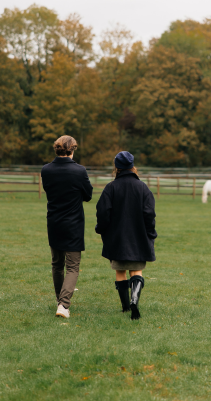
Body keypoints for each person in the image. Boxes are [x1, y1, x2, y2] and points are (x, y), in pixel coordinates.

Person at [95, 151, 157, 320]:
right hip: (138, 237)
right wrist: (151, 233)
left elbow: (102, 212)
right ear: (132, 166)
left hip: (117, 238)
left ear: (117, 167)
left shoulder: (110, 188)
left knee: (120, 270)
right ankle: (134, 300)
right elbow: (149, 213)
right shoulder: (143, 187)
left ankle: (125, 307)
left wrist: (101, 229)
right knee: (136, 270)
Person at [41, 135, 93, 318]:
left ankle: (60, 300)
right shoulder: (79, 171)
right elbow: (88, 195)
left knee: (57, 264)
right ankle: (63, 305)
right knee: (72, 266)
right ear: (72, 150)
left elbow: (49, 190)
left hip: (53, 222)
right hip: (73, 224)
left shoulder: (46, 170)